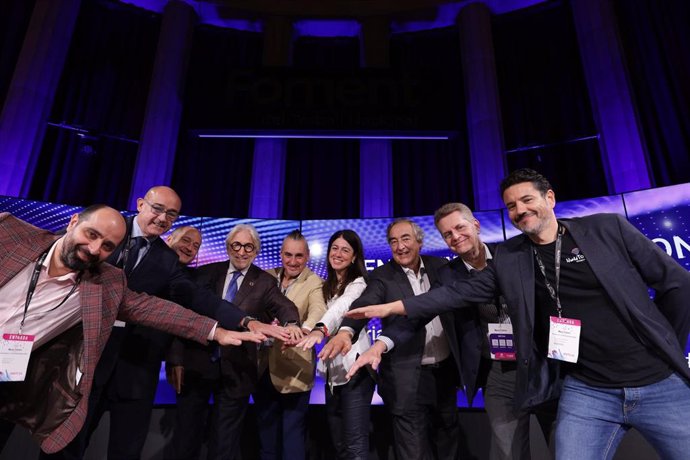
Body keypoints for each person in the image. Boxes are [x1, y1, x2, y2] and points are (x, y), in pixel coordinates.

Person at [347, 169, 690, 460]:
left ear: (549, 199)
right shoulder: (481, 265)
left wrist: (661, 342)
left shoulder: (584, 234)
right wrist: (391, 315)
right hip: (549, 380)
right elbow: (446, 298)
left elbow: (677, 285)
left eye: (527, 200)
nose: (520, 210)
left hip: (590, 371)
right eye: (512, 206)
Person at [49, 186, 288, 460]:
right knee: (67, 445)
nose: (162, 218)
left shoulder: (166, 259)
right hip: (85, 359)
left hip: (136, 367)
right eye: (158, 209)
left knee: (127, 448)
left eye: (171, 214)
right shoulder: (108, 233)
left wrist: (245, 321)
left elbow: (197, 298)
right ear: (140, 204)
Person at [0, 207, 263, 454]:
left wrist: (217, 331)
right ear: (73, 222)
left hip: (10, 380)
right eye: (91, 234)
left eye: (107, 247)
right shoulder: (10, 232)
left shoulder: (105, 284)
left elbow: (157, 310)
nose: (94, 249)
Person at [322, 218, 463, 460]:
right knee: (412, 451)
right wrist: (346, 331)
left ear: (419, 241)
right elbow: (364, 305)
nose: (400, 247)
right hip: (405, 377)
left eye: (405, 239)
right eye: (393, 241)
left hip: (445, 374)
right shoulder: (382, 276)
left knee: (447, 440)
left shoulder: (442, 267)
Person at [166, 224, 301, 460]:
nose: (242, 251)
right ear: (228, 247)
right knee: (185, 438)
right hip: (196, 365)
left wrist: (291, 324)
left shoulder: (264, 281)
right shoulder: (205, 273)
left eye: (249, 247)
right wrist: (175, 357)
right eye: (237, 245)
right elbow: (181, 315)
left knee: (223, 445)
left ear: (256, 251)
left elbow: (285, 307)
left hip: (237, 371)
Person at [294, 230, 372, 460]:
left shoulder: (359, 284)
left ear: (354, 256)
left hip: (355, 371)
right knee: (339, 444)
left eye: (345, 250)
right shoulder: (324, 285)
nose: (338, 254)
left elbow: (342, 309)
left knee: (355, 445)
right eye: (334, 248)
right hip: (331, 376)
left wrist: (321, 329)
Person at [255, 230, 326, 460]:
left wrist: (305, 331)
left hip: (294, 370)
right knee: (266, 439)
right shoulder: (265, 276)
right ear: (281, 254)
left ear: (307, 257)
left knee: (292, 439)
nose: (293, 261)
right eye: (288, 255)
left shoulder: (314, 282)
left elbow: (318, 310)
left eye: (298, 256)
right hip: (260, 367)